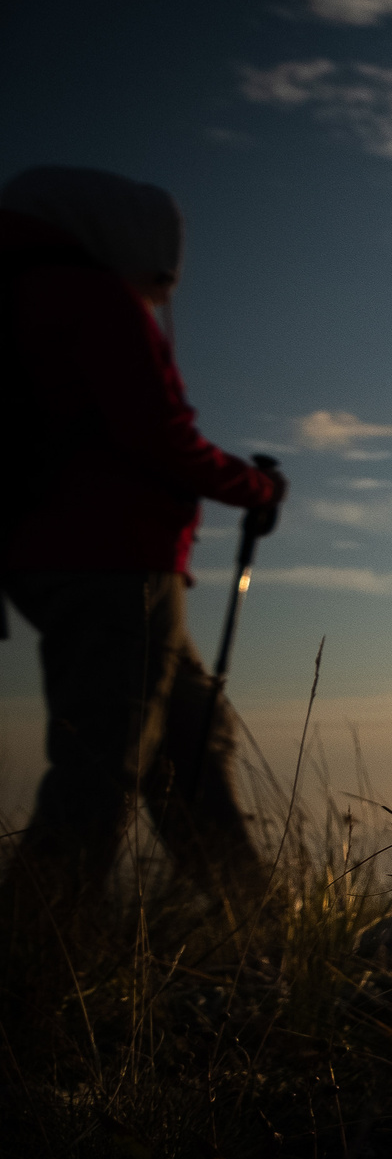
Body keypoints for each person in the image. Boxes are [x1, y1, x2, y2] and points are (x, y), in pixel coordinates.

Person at [0, 165, 287, 932]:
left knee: (188, 735)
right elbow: (158, 434)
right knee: (109, 753)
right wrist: (254, 491)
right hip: (112, 559)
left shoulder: (26, 293)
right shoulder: (89, 300)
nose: (162, 292)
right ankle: (36, 945)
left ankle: (255, 919)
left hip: (64, 558)